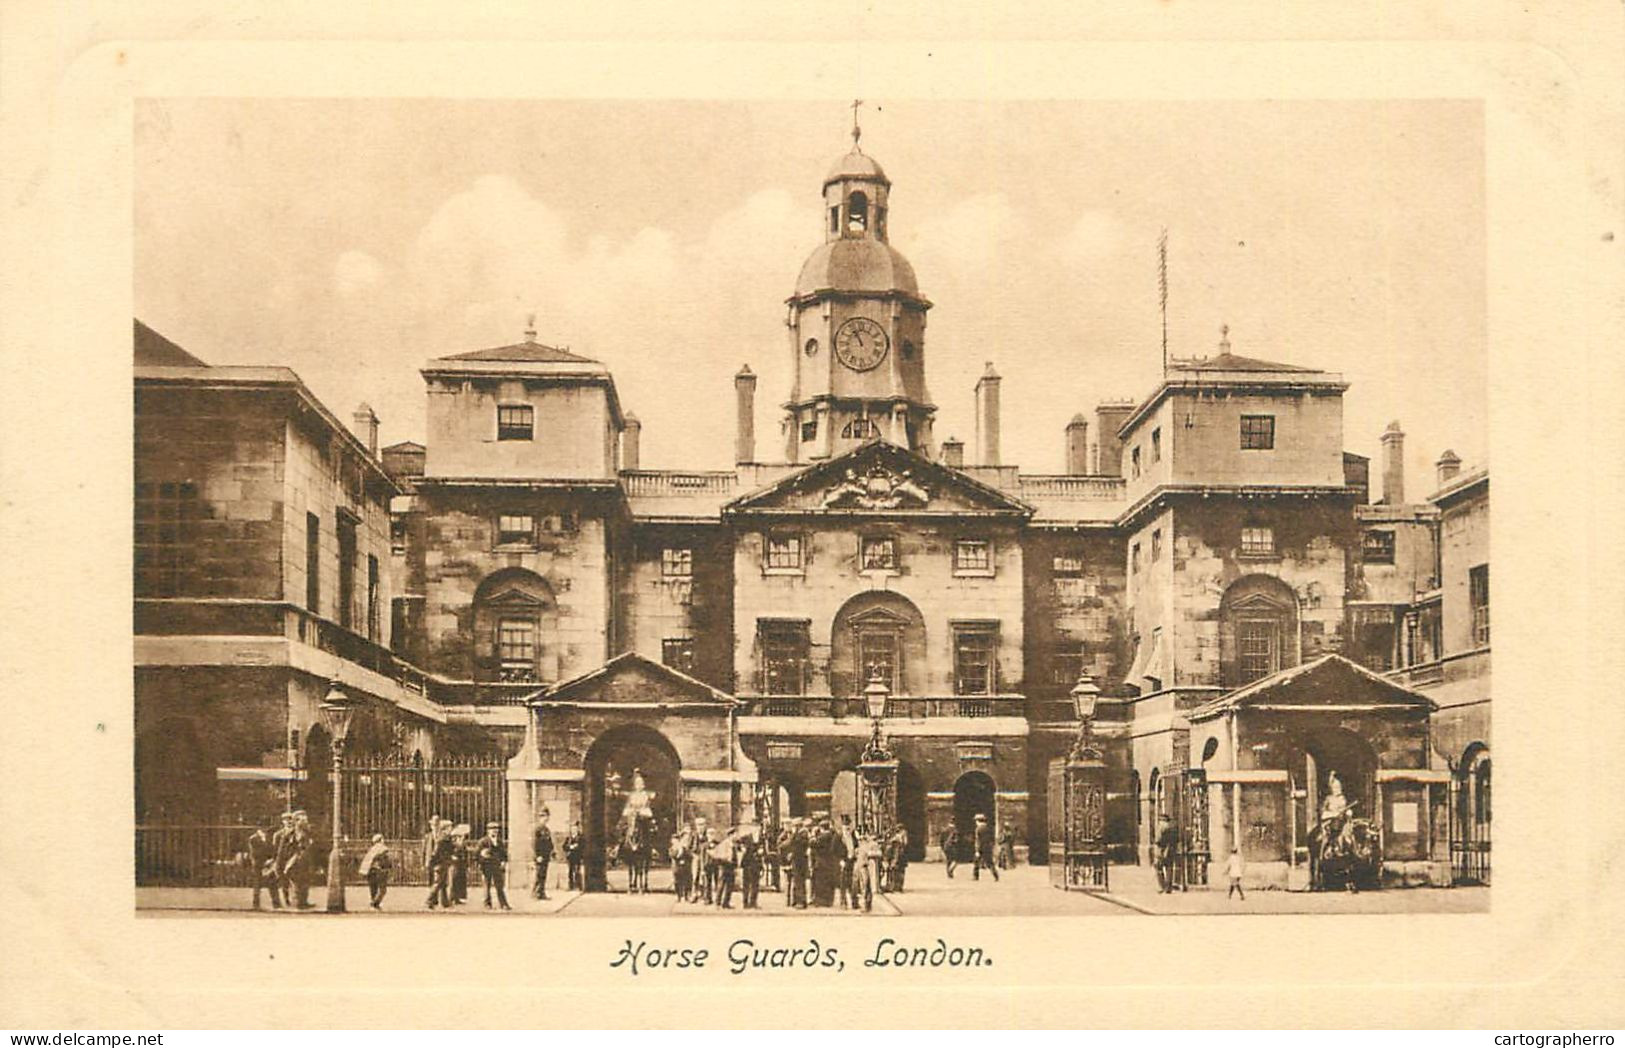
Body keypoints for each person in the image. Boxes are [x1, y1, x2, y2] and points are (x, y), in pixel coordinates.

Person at [246, 821, 281, 911]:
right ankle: (256, 904)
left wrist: (271, 860)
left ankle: (276, 904)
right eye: (263, 827)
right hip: (258, 864)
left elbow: (273, 850)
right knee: (257, 884)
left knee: (272, 884)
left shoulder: (269, 838)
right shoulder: (253, 839)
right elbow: (254, 853)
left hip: (268, 864)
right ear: (259, 828)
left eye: (266, 827)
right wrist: (263, 861)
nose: (265, 829)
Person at [478, 822, 512, 910]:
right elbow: (477, 854)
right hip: (487, 866)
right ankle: (487, 904)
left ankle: (503, 904)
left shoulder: (500, 842)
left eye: (496, 830)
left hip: (497, 866)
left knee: (499, 886)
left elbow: (504, 854)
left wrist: (504, 861)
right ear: (488, 831)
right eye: (492, 830)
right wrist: (482, 860)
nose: (495, 832)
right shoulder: (483, 841)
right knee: (487, 886)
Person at [286, 811, 315, 908]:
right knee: (297, 880)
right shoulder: (296, 831)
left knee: (305, 880)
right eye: (302, 818)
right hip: (298, 858)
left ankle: (303, 902)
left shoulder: (306, 831)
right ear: (297, 820)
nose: (305, 820)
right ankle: (297, 902)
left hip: (305, 858)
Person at [425, 819, 455, 910]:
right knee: (438, 883)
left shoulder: (446, 838)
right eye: (450, 827)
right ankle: (429, 900)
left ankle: (445, 902)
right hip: (441, 863)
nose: (451, 829)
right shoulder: (443, 839)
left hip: (443, 863)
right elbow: (436, 852)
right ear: (445, 829)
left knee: (442, 883)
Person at [358, 833, 392, 910]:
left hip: (370, 870)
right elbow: (386, 860)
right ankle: (374, 903)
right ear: (380, 840)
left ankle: (374, 904)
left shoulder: (372, 849)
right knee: (382, 889)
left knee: (373, 888)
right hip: (379, 870)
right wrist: (388, 868)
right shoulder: (383, 848)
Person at [852, 832, 883, 912]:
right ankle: (866, 905)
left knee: (865, 887)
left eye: (862, 839)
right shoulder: (860, 848)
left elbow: (878, 854)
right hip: (861, 868)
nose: (861, 841)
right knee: (863, 887)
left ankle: (866, 905)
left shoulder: (870, 846)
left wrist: (870, 854)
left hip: (865, 868)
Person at [835, 816, 859, 910]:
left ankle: (854, 902)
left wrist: (856, 851)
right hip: (843, 862)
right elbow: (834, 850)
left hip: (852, 861)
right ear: (842, 827)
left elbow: (856, 846)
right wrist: (840, 860)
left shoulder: (853, 836)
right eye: (845, 827)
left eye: (848, 826)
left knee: (854, 883)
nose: (847, 829)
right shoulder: (838, 837)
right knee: (843, 884)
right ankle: (843, 903)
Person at [711, 829, 737, 909]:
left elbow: (734, 857)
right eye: (735, 834)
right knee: (721, 885)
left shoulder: (733, 845)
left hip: (731, 867)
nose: (736, 836)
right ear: (730, 835)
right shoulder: (724, 844)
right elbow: (717, 855)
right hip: (724, 866)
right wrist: (725, 859)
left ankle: (726, 903)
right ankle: (717, 903)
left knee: (730, 885)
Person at [1155, 815, 1181, 894]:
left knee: (1158, 867)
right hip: (1171, 850)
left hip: (1162, 850)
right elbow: (1177, 839)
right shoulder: (1173, 828)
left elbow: (1158, 840)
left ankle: (1162, 886)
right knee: (1169, 868)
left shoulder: (1161, 827)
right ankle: (1168, 887)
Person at [738, 828, 762, 910]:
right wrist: (741, 848)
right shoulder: (746, 837)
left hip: (757, 864)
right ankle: (745, 903)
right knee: (746, 884)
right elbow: (738, 843)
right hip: (747, 864)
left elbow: (764, 848)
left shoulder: (761, 837)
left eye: (758, 827)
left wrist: (762, 851)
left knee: (755, 884)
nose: (756, 829)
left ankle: (753, 902)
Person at [972, 813, 1000, 882]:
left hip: (981, 848)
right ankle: (996, 876)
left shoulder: (978, 829)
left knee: (976, 862)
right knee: (990, 863)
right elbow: (991, 839)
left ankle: (976, 877)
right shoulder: (988, 828)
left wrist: (977, 850)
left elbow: (978, 840)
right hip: (988, 848)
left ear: (978, 821)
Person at [532, 819, 555, 900]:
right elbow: (535, 843)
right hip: (540, 856)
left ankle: (541, 893)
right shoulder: (538, 829)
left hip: (546, 855)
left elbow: (549, 842)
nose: (545, 819)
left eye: (546, 816)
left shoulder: (546, 830)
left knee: (543, 875)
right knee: (539, 875)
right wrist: (537, 856)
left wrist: (552, 851)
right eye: (543, 816)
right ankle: (535, 893)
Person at [670, 824, 693, 902]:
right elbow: (672, 855)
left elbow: (690, 855)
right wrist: (679, 853)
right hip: (677, 867)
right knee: (677, 881)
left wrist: (684, 851)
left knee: (687, 881)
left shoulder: (686, 847)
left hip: (686, 866)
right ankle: (679, 896)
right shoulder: (673, 848)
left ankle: (686, 896)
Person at [450, 824, 471, 905]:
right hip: (455, 864)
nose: (462, 838)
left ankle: (458, 898)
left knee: (461, 881)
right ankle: (452, 897)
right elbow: (450, 853)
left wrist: (467, 865)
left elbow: (465, 855)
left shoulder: (463, 844)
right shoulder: (453, 844)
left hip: (462, 864)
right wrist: (453, 857)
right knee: (454, 880)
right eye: (460, 836)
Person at [888, 824, 910, 892]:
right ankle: (896, 886)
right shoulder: (896, 837)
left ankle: (897, 886)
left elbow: (905, 843)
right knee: (898, 871)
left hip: (900, 857)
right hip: (899, 856)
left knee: (898, 871)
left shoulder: (899, 837)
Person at [563, 822, 584, 891]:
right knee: (570, 871)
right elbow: (564, 846)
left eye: (575, 829)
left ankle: (579, 886)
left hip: (577, 856)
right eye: (572, 829)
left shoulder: (580, 837)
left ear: (577, 829)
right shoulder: (568, 838)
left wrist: (577, 847)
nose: (574, 830)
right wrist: (570, 847)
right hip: (570, 857)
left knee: (577, 871)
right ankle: (571, 886)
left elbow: (583, 846)